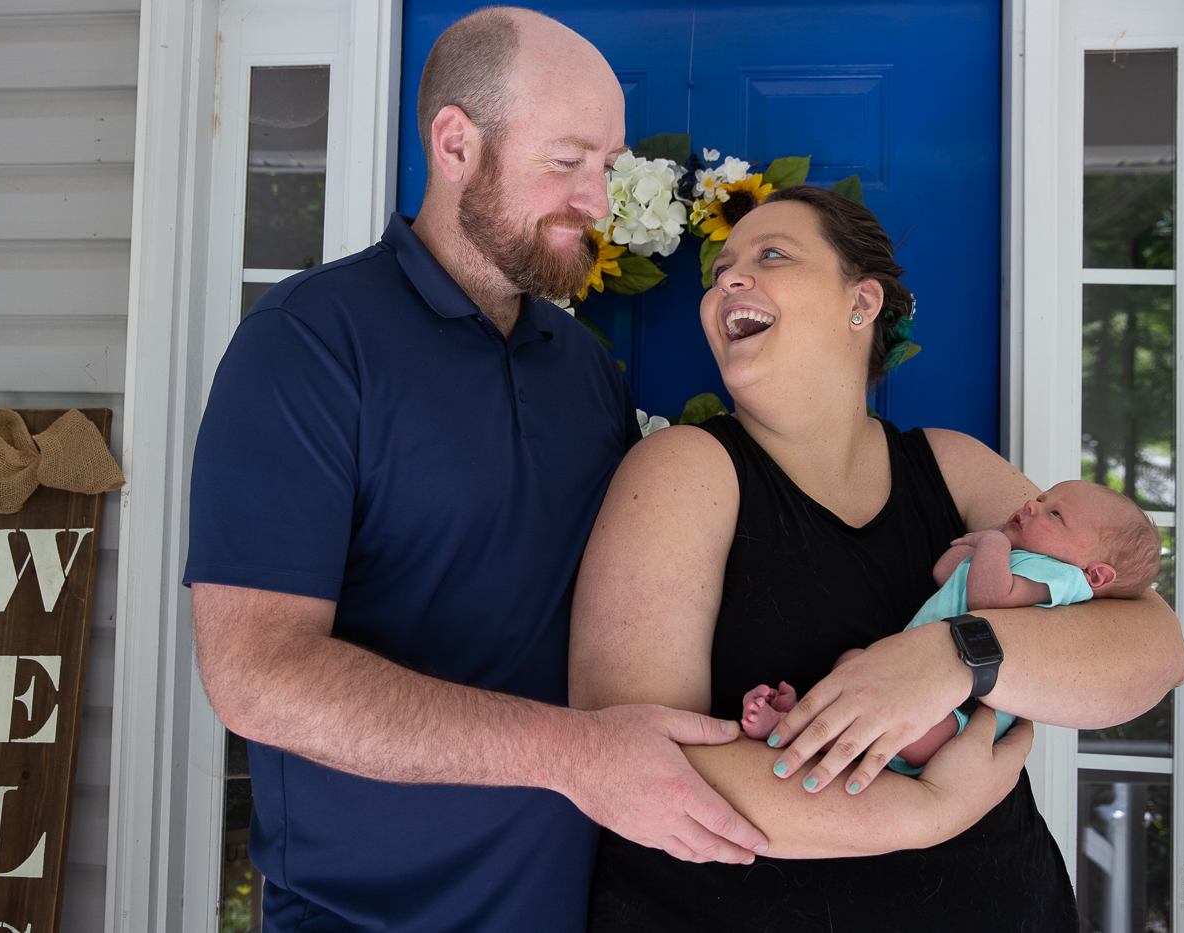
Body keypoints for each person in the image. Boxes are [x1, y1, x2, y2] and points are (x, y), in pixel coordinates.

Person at [184, 9, 778, 932]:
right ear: (456, 142)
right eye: (568, 161)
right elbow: (254, 672)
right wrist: (576, 755)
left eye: (610, 170)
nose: (596, 200)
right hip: (361, 916)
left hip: (579, 904)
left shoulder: (582, 369)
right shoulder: (304, 346)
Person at [570, 185, 1184, 931]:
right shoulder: (682, 468)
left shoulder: (951, 465)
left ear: (861, 302)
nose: (728, 280)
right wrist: (928, 810)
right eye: (721, 269)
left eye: (771, 255)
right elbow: (634, 758)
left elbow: (1155, 648)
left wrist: (955, 656)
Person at [741, 480, 1163, 777]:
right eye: (1040, 498)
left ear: (1097, 575)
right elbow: (946, 572)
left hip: (955, 711)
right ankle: (798, 716)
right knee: (852, 663)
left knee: (912, 736)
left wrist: (995, 544)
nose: (1032, 506)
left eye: (1055, 515)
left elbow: (988, 600)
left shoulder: (1065, 579)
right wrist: (986, 541)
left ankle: (791, 732)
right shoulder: (1019, 553)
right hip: (903, 677)